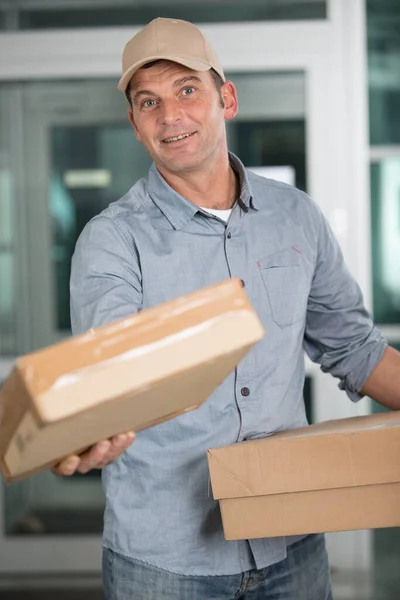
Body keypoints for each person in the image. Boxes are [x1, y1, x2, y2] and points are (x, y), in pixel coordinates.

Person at [52, 17, 400, 600]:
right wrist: (96, 425)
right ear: (135, 125)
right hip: (165, 562)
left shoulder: (296, 218)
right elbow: (111, 378)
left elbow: (354, 348)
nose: (170, 116)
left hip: (291, 536)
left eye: (187, 89)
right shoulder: (112, 240)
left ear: (226, 98)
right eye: (148, 102)